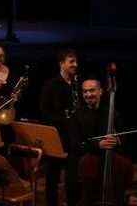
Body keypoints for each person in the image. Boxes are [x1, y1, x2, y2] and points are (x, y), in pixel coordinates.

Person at [68, 77, 125, 206]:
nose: (88, 94)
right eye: (85, 91)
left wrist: (117, 141)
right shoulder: (76, 115)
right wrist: (98, 145)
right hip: (83, 169)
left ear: (101, 91)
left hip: (109, 168)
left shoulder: (113, 114)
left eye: (92, 90)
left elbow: (125, 141)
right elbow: (75, 144)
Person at [38, 47, 81, 206]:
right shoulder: (50, 85)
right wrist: (66, 121)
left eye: (76, 61)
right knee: (54, 175)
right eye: (71, 62)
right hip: (58, 136)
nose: (75, 64)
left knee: (73, 175)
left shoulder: (77, 84)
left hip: (74, 137)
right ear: (61, 64)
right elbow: (45, 112)